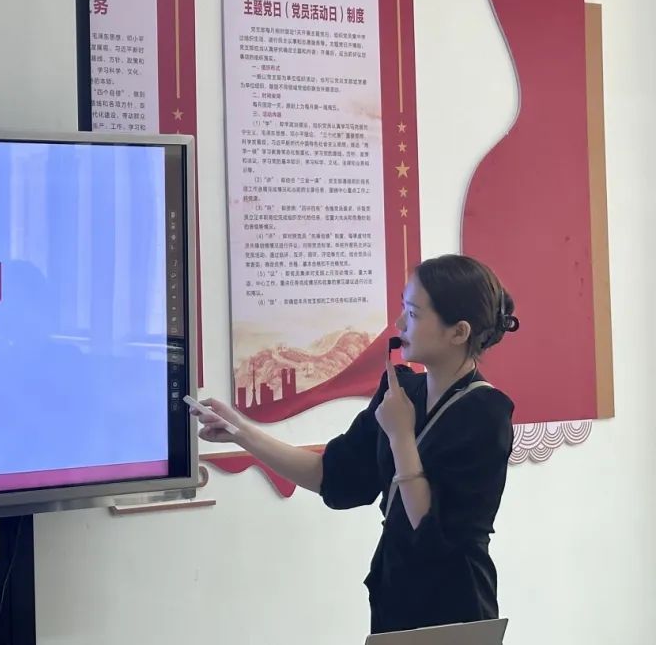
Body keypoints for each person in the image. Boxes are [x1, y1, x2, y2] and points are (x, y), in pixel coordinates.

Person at [195, 254, 519, 635]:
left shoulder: (486, 413)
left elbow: (431, 530)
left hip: (455, 605)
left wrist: (401, 436)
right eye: (403, 308)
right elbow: (332, 475)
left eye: (413, 314)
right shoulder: (401, 392)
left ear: (459, 332)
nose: (400, 324)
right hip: (395, 594)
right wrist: (242, 432)